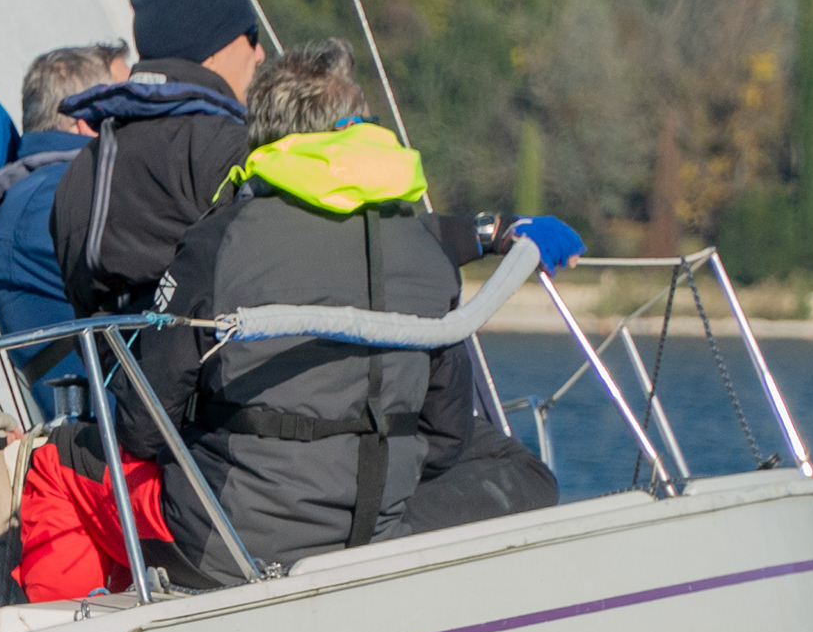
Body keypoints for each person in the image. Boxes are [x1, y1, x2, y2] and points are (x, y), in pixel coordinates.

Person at [132, 43, 562, 564]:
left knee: (71, 454)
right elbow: (447, 437)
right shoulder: (425, 248)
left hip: (235, 551)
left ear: (265, 136)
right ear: (354, 130)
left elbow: (140, 422)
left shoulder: (217, 243)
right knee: (530, 476)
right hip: (374, 538)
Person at [49, 0, 267, 318]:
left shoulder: (82, 168)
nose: (259, 53)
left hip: (114, 370)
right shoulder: (230, 148)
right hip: (209, 366)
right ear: (211, 51)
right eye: (250, 36)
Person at [0, 40, 128, 336]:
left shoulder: (47, 190)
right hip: (111, 377)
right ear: (90, 121)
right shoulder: (52, 197)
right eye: (134, 102)